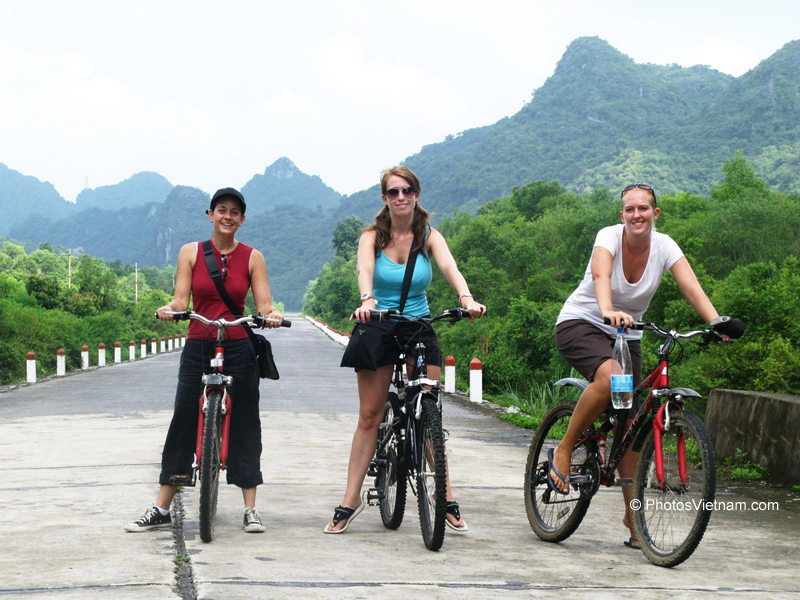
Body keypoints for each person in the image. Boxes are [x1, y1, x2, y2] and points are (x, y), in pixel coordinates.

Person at [550, 183, 728, 549]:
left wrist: (714, 321)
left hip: (627, 334)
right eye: (630, 209)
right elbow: (601, 276)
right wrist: (606, 310)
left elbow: (691, 286)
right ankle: (565, 448)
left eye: (644, 209)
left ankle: (633, 517)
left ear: (655, 213)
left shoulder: (665, 246)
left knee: (631, 425)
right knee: (614, 379)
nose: (637, 215)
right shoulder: (609, 237)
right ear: (621, 215)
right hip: (582, 322)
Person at [325, 166, 486, 534]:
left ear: (416, 194)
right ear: (385, 198)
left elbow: (450, 267)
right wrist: (366, 298)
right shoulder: (371, 237)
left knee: (431, 409)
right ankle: (349, 501)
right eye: (394, 192)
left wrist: (467, 297)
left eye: (408, 190)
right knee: (369, 414)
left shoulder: (428, 235)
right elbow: (364, 270)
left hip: (418, 325)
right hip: (377, 321)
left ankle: (443, 496)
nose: (401, 197)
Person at [125, 187, 283, 534]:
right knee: (184, 416)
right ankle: (161, 507)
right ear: (210, 215)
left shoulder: (253, 257)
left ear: (242, 219)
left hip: (239, 347)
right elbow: (182, 300)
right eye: (221, 210)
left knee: (245, 422)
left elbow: (264, 304)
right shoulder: (191, 253)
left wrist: (272, 315)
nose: (228, 216)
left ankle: (250, 510)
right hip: (199, 342)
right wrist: (170, 310)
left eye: (235, 212)